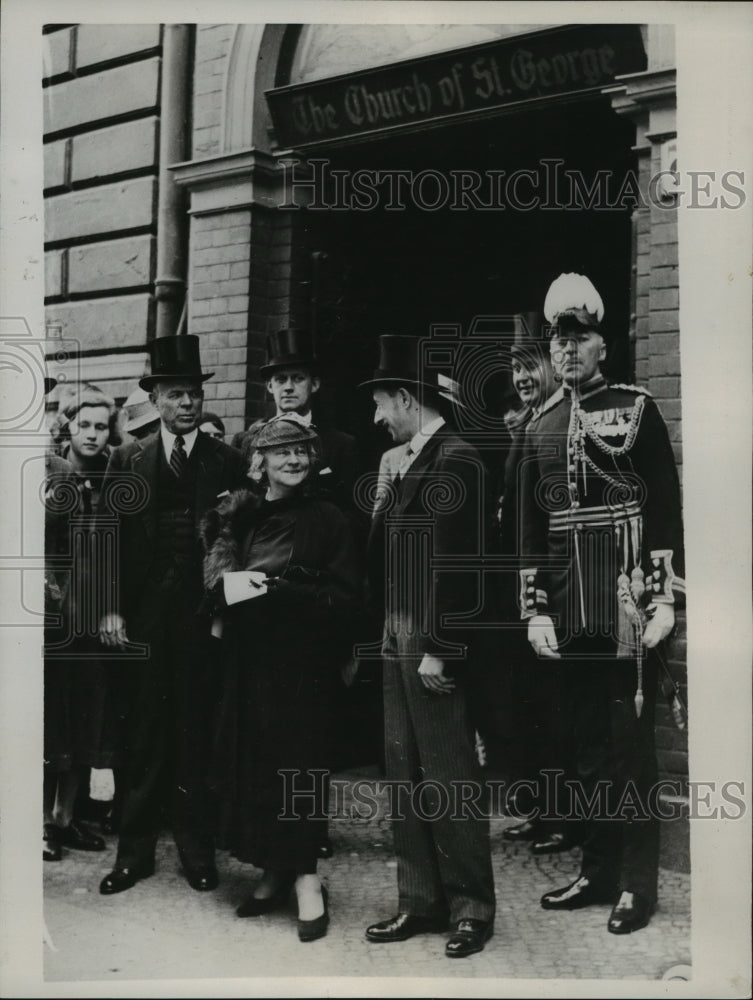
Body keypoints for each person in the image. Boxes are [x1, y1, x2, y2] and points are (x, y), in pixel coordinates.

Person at [519, 273, 685, 934]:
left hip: (627, 598)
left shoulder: (635, 407)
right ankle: (596, 869)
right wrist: (533, 607)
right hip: (567, 601)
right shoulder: (540, 423)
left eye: (579, 338)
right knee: (582, 743)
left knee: (628, 745)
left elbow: (666, 512)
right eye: (558, 341)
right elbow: (531, 529)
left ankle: (635, 887)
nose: (567, 351)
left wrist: (667, 602)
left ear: (601, 345)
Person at [200, 414, 361, 942]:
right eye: (283, 452)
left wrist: (279, 589)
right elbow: (217, 589)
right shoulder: (239, 517)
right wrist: (229, 588)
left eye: (302, 451)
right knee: (257, 767)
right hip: (249, 661)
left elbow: (345, 598)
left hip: (304, 664)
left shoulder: (328, 517)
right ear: (260, 461)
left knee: (299, 768)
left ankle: (308, 879)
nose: (295, 460)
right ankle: (273, 869)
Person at [97, 334, 248, 895]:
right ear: (156, 397)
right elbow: (106, 538)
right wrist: (110, 607)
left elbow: (241, 539)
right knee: (143, 732)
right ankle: (132, 854)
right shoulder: (126, 458)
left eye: (193, 394)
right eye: (175, 394)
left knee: (193, 730)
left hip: (200, 616)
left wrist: (227, 607)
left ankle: (196, 851)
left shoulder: (225, 459)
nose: (187, 404)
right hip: (142, 613)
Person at [362, 335, 496, 959]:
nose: (376, 417)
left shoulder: (458, 457)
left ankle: (471, 907)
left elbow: (464, 568)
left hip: (428, 632)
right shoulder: (411, 459)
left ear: (409, 400)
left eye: (382, 402)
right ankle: (420, 899)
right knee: (403, 767)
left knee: (447, 770)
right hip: (396, 627)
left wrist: (441, 646)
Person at [497, 323, 578, 856]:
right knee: (530, 704)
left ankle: (566, 820)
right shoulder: (525, 424)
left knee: (561, 706)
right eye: (516, 368)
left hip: (560, 585)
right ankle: (541, 809)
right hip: (523, 585)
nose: (523, 377)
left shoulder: (566, 422)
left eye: (531, 366)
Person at [237, 329, 358, 509]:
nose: (288, 387)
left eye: (298, 378)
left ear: (315, 384)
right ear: (270, 386)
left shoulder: (341, 445)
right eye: (280, 379)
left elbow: (351, 514)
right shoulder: (247, 440)